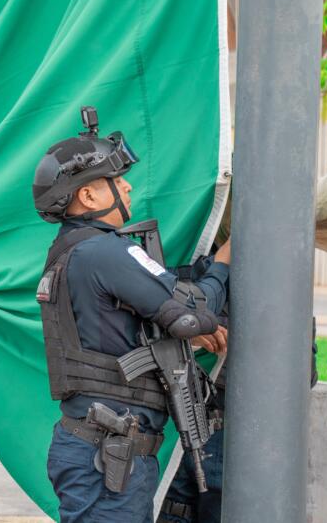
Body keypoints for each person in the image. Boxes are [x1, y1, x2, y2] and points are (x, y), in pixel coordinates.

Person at [31, 107, 231, 523]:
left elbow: (123, 327)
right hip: (109, 454)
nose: (127, 187)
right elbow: (193, 314)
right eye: (115, 181)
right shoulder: (106, 251)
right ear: (88, 196)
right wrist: (226, 261)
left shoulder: (73, 251)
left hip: (104, 449)